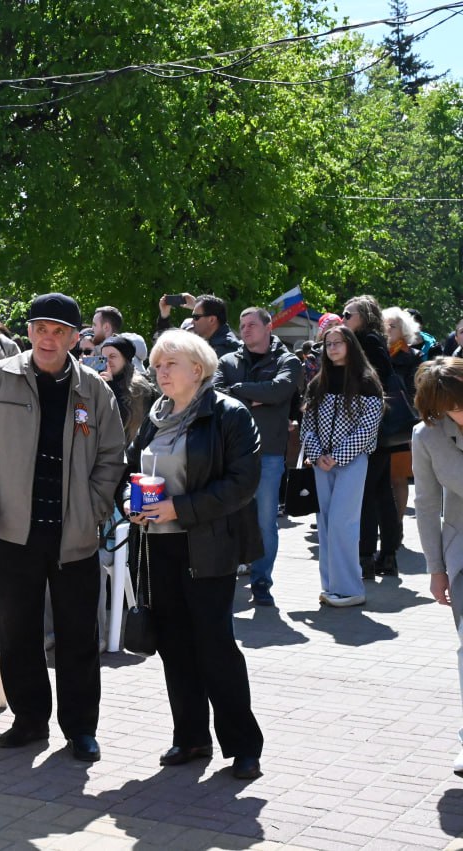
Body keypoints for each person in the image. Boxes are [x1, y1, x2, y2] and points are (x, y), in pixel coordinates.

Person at [0, 292, 126, 762]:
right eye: (40, 329)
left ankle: (80, 728)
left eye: (59, 331)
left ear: (75, 338)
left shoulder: (94, 390)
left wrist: (93, 509)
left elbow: (112, 457)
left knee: (78, 634)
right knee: (17, 631)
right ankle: (30, 719)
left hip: (74, 533)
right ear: (29, 332)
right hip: (13, 530)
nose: (48, 339)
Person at [127, 329, 265, 780]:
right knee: (174, 645)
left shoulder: (229, 414)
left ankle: (243, 746)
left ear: (198, 369)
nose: (161, 372)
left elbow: (242, 482)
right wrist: (129, 503)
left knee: (215, 646)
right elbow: (131, 469)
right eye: (157, 365)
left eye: (171, 364)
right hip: (157, 545)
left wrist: (179, 508)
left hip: (207, 546)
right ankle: (190, 737)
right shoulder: (156, 416)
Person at [214, 308, 303, 606]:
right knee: (227, 518)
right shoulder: (227, 361)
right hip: (230, 453)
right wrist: (254, 396)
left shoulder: (287, 361)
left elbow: (279, 391)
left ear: (268, 327)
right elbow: (216, 393)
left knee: (265, 522)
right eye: (242, 325)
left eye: (252, 324)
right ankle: (224, 578)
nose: (246, 329)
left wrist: (238, 390)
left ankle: (261, 582)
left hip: (269, 453)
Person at [301, 324, 384, 608]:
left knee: (342, 523)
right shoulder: (318, 383)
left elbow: (367, 428)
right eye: (328, 344)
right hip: (321, 463)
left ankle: (350, 588)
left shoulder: (366, 381)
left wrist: (337, 456)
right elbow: (307, 425)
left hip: (351, 461)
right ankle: (331, 586)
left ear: (350, 345)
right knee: (325, 524)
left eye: (338, 342)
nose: (332, 348)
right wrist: (317, 454)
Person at [410, 357, 463, 777]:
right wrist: (436, 569)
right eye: (449, 408)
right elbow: (426, 505)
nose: (458, 413)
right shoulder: (426, 436)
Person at [343, 296, 399, 579]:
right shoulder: (371, 339)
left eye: (348, 314)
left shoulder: (367, 341)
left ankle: (365, 556)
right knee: (380, 491)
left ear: (363, 317)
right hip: (376, 426)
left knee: (365, 492)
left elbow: (378, 379)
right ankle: (387, 555)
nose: (343, 318)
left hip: (370, 427)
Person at [383, 305, 422, 563]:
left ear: (404, 330)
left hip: (400, 425)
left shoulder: (413, 356)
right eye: (384, 325)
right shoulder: (374, 353)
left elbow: (415, 390)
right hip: (377, 425)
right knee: (379, 479)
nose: (387, 330)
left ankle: (395, 527)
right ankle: (384, 526)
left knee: (397, 478)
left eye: (393, 326)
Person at [99, 334, 157, 444]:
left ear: (125, 359)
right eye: (103, 357)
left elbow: (122, 418)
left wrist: (111, 387)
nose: (107, 361)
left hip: (129, 447)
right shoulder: (98, 381)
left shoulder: (140, 388)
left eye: (112, 356)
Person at [156, 293, 239, 358]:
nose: (192, 322)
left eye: (196, 317)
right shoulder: (217, 341)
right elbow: (168, 346)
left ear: (212, 320)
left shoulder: (224, 349)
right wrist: (164, 315)